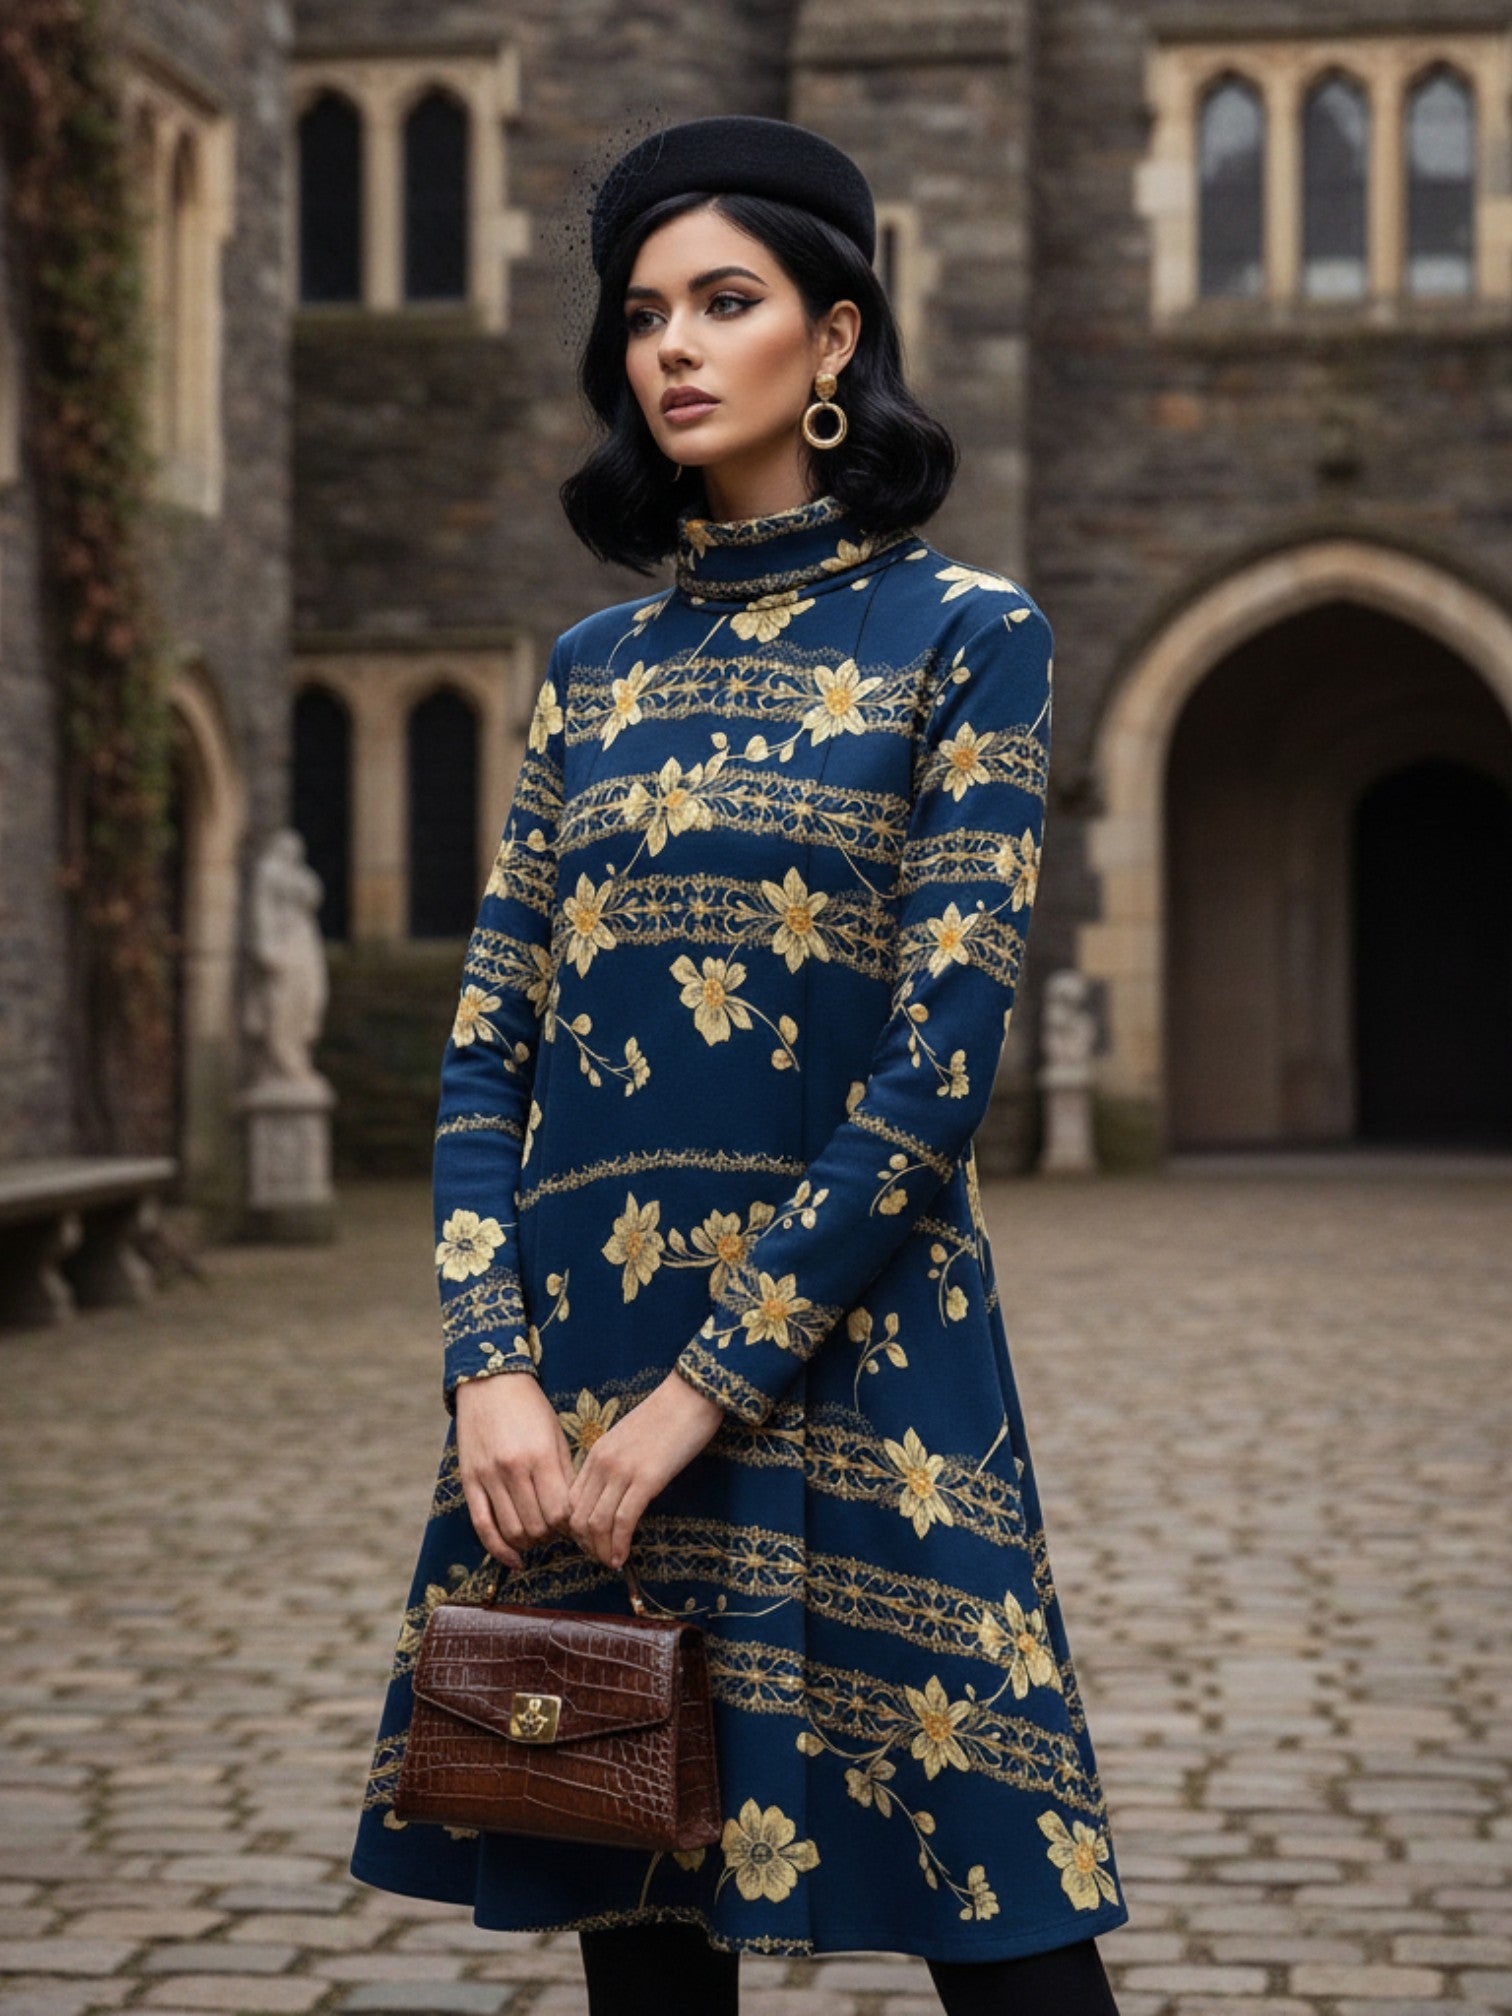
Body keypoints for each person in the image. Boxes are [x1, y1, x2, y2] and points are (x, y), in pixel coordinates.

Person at [348, 113, 1128, 2014]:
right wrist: (494, 1378)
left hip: (871, 1372)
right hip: (582, 1405)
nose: (674, 349)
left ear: (836, 337)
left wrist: (707, 1391)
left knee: (1018, 1953)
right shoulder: (592, 670)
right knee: (649, 1956)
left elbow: (945, 1063)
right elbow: (484, 1060)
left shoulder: (967, 639)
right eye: (643, 317)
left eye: (727, 302)